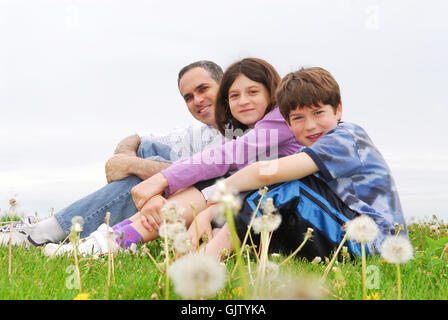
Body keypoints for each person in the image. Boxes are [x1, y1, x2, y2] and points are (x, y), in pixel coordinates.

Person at [44, 57, 303, 256]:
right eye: (234, 96)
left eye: (253, 92)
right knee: (186, 179)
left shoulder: (279, 118)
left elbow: (227, 156)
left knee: (202, 184)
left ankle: (99, 241)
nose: (242, 101)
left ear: (271, 91)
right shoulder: (242, 126)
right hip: (245, 193)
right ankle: (105, 241)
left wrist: (162, 180)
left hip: (275, 203)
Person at [0, 60, 224, 247]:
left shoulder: (242, 133)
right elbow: (137, 138)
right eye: (188, 97)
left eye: (203, 89)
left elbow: (209, 177)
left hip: (215, 209)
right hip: (185, 199)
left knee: (148, 168)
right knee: (147, 153)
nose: (197, 100)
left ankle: (44, 233)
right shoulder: (199, 133)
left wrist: (137, 169)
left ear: (223, 84)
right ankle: (64, 230)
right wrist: (124, 158)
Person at [195, 66, 407, 261]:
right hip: (342, 229)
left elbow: (266, 173)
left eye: (318, 113)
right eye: (298, 118)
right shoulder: (315, 149)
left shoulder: (347, 137)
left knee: (287, 188)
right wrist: (210, 214)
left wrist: (217, 194)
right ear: (287, 123)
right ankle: (217, 244)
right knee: (263, 199)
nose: (310, 126)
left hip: (374, 242)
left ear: (338, 109)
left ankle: (206, 259)